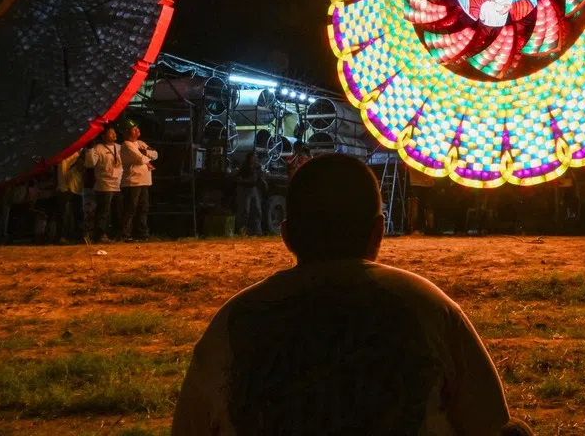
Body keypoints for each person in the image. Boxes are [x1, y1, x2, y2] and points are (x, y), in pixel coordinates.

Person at [172, 154, 532, 436]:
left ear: (287, 236)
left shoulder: (235, 320)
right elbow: (491, 423)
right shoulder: (429, 306)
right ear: (378, 232)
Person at [120, 120, 158, 241]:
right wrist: (147, 157)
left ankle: (142, 233)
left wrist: (145, 152)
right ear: (127, 132)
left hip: (144, 180)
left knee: (143, 207)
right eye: (134, 129)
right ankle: (126, 234)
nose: (137, 131)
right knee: (131, 207)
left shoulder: (140, 143)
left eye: (137, 128)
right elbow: (140, 159)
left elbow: (155, 154)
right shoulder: (127, 145)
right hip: (132, 181)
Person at [84, 127, 123, 243]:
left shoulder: (120, 147)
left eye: (114, 132)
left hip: (119, 184)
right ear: (103, 136)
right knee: (103, 212)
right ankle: (99, 235)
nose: (114, 134)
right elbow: (90, 164)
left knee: (117, 211)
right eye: (111, 133)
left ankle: (115, 235)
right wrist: (90, 149)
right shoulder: (98, 148)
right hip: (104, 185)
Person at [54, 149, 84, 243]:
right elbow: (62, 172)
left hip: (75, 189)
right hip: (66, 189)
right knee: (64, 215)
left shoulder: (76, 156)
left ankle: (76, 237)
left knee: (76, 214)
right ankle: (62, 236)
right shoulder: (64, 158)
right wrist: (64, 187)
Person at [235, 152, 266, 236]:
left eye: (255, 157)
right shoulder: (244, 167)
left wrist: (262, 181)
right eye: (253, 157)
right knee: (245, 211)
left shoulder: (257, 167)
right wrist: (246, 180)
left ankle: (257, 231)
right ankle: (242, 230)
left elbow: (260, 176)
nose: (255, 159)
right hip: (245, 189)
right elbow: (239, 178)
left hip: (253, 189)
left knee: (257, 210)